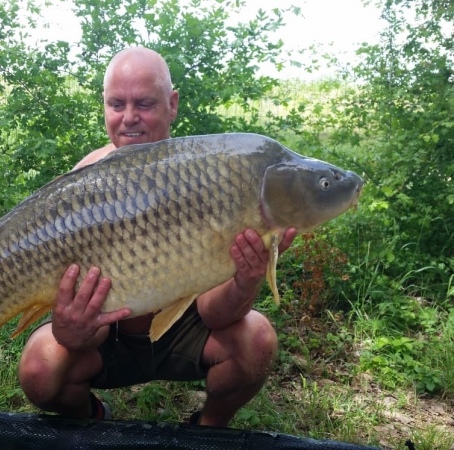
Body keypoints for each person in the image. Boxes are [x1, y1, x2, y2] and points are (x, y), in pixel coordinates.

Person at [17, 46, 297, 428]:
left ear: (172, 104)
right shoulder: (83, 185)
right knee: (39, 367)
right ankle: (91, 419)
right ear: (104, 105)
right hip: (109, 338)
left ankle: (208, 429)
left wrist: (246, 281)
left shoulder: (208, 177)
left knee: (257, 339)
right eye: (117, 104)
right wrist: (70, 328)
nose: (129, 118)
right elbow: (79, 335)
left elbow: (216, 313)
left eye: (145, 104)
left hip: (184, 327)